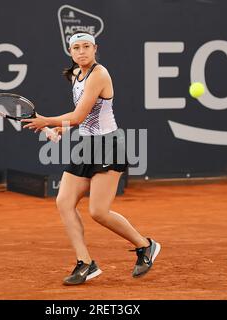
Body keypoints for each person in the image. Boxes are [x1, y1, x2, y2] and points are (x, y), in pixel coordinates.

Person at [21, 31, 161, 285]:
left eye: (87, 46)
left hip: (109, 145)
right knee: (64, 201)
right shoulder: (75, 74)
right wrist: (62, 128)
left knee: (98, 211)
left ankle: (145, 245)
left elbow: (77, 115)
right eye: (77, 48)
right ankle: (85, 262)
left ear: (95, 49)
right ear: (70, 52)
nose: (82, 51)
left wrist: (48, 121)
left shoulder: (100, 74)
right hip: (86, 144)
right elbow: (82, 115)